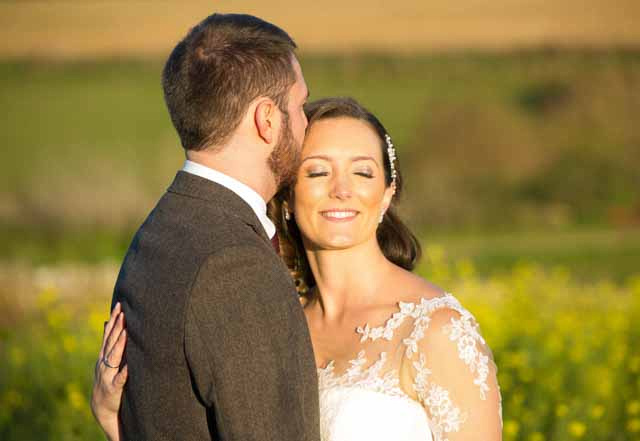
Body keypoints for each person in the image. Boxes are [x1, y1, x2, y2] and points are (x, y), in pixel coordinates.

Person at [93, 97, 503, 441]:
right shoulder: (269, 321)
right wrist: (121, 426)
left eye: (362, 172)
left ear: (387, 193)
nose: (341, 189)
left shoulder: (436, 332)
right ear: (287, 196)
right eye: (318, 171)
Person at [91, 13, 320, 441]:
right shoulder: (235, 267)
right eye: (300, 105)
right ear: (267, 120)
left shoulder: (159, 230)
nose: (307, 123)